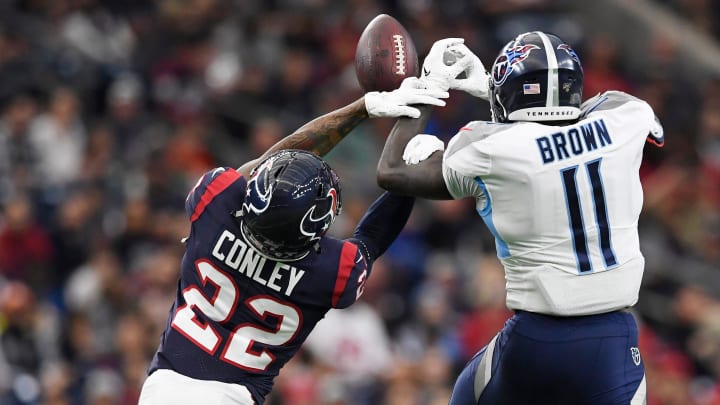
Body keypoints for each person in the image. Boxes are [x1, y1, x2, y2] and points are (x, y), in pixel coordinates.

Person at [376, 33, 664, 404]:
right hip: (613, 341)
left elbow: (392, 171)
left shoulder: (490, 147)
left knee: (467, 393)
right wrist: (499, 92)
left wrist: (431, 86)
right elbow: (590, 118)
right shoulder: (627, 116)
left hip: (536, 338)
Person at [138, 83, 449, 405]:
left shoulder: (216, 203)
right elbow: (371, 237)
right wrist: (408, 177)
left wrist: (361, 108)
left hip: (164, 388)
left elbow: (266, 163)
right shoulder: (327, 273)